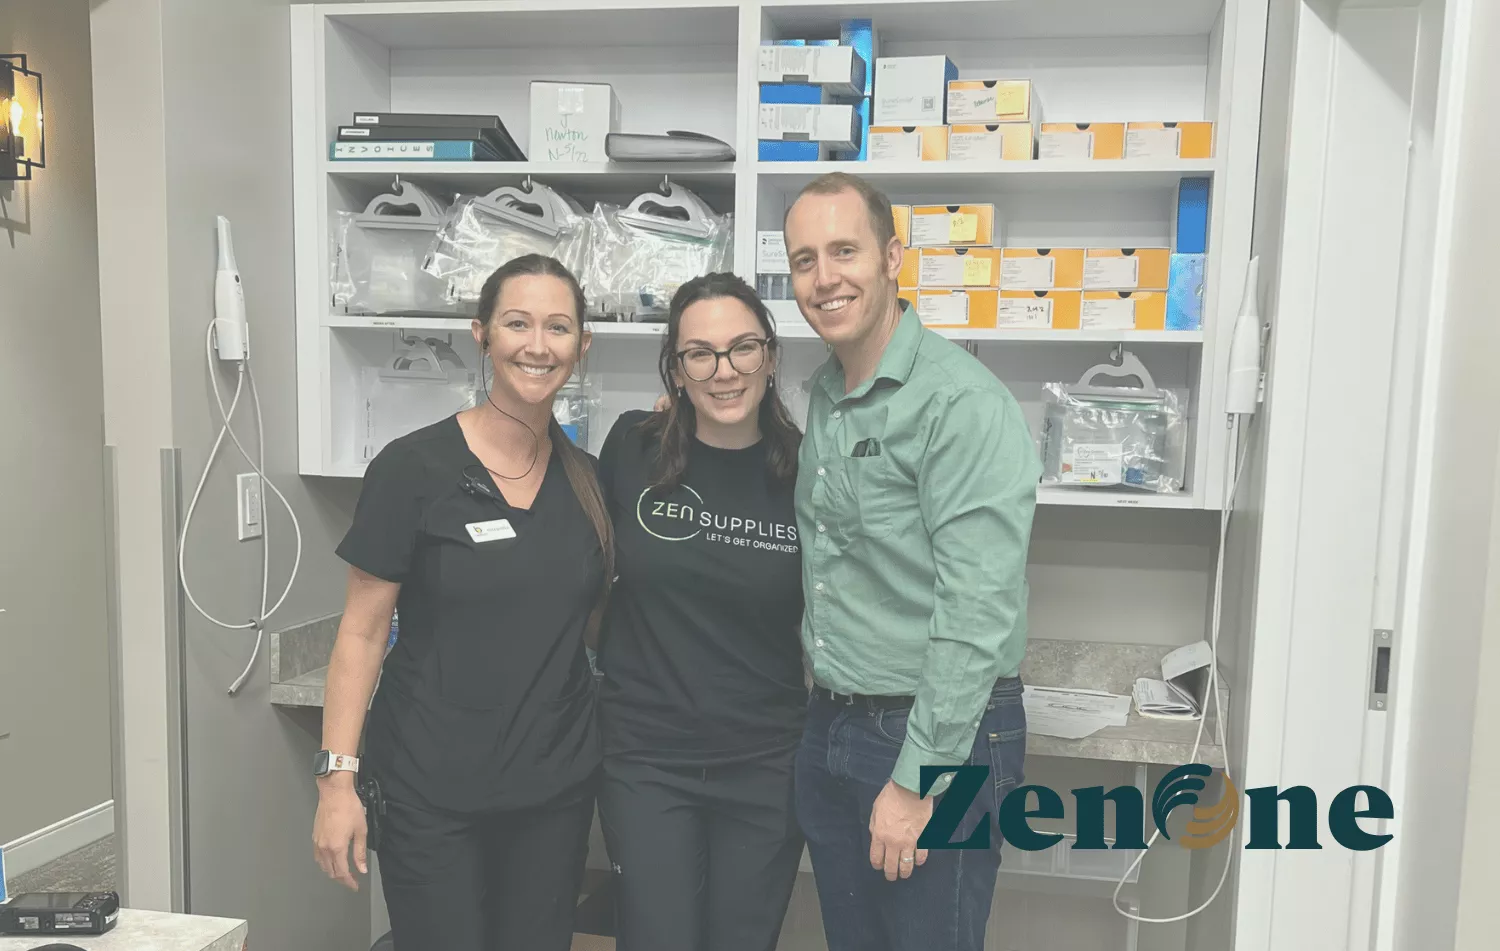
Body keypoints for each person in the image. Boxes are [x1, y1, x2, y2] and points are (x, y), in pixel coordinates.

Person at [311, 254, 613, 951]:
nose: (538, 344)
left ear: (582, 345)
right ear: (482, 334)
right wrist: (336, 784)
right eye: (517, 323)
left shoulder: (591, 483)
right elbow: (360, 633)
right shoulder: (413, 469)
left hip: (552, 793)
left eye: (558, 327)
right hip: (430, 789)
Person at [783, 172, 1041, 951]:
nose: (825, 278)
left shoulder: (959, 403)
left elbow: (977, 606)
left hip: (932, 734)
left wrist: (917, 775)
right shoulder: (825, 393)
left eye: (844, 251)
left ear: (894, 256)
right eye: (803, 260)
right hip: (832, 721)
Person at [595, 272, 808, 951]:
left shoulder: (806, 470)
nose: (724, 371)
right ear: (676, 367)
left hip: (767, 762)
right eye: (700, 354)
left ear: (770, 357)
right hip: (647, 761)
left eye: (743, 347)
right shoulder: (631, 448)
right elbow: (577, 571)